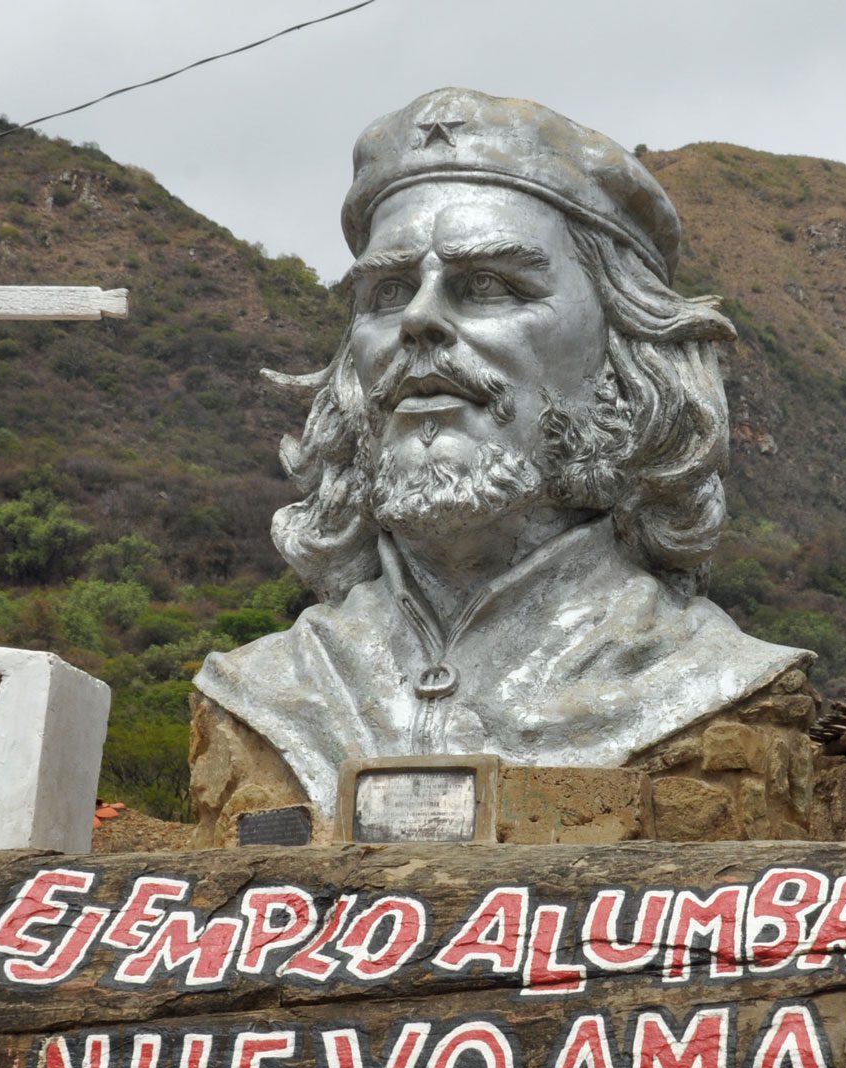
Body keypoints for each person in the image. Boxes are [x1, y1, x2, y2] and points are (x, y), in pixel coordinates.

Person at [193, 88, 811, 825]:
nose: (419, 320)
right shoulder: (263, 692)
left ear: (623, 349)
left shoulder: (714, 687)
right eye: (387, 292)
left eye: (486, 286)